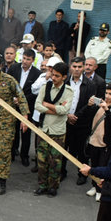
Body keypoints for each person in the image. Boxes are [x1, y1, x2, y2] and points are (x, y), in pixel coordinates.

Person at [0, 54, 29, 194]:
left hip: (6, 123)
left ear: (0, 67)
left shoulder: (9, 80)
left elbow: (21, 98)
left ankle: (2, 181)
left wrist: (24, 117)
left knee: (3, 151)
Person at [33, 61, 73, 197]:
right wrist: (54, 109)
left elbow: (65, 110)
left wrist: (47, 106)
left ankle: (53, 187)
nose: (53, 78)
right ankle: (42, 185)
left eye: (57, 76)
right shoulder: (46, 87)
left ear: (64, 77)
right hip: (44, 129)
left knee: (55, 161)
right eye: (53, 75)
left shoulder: (68, 91)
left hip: (58, 131)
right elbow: (38, 105)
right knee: (41, 160)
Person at [84, 83, 111, 201]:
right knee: (94, 164)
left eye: (110, 94)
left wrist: (107, 109)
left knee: (103, 166)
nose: (107, 96)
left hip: (106, 143)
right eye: (106, 93)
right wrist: (89, 105)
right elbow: (88, 116)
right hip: (94, 140)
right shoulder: (99, 105)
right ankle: (94, 186)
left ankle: (101, 189)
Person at [61, 57, 96, 185]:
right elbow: (59, 100)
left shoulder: (90, 84)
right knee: (64, 148)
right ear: (71, 66)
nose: (76, 69)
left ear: (83, 67)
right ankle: (61, 172)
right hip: (65, 121)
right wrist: (67, 115)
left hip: (81, 124)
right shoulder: (65, 82)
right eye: (74, 66)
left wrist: (75, 116)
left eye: (79, 67)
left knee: (81, 151)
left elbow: (90, 105)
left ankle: (82, 174)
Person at [8, 49, 42, 167]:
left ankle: (24, 156)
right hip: (13, 104)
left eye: (28, 59)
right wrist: (13, 98)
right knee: (13, 130)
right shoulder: (14, 68)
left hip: (27, 107)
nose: (25, 61)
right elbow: (9, 84)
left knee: (26, 132)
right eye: (24, 58)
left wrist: (22, 100)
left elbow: (35, 92)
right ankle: (12, 152)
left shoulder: (37, 73)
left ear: (33, 60)